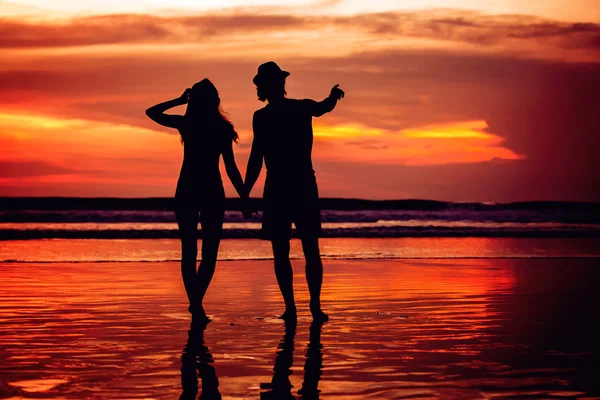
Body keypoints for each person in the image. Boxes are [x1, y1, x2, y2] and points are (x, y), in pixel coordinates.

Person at [244, 61, 345, 322]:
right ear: (266, 87)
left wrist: (333, 97)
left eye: (276, 82)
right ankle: (292, 307)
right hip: (283, 185)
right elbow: (256, 156)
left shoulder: (298, 108)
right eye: (271, 82)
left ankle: (313, 306)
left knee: (308, 248)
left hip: (295, 184)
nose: (275, 86)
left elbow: (323, 108)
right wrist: (245, 192)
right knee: (285, 250)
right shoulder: (264, 116)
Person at [146, 79, 247, 324]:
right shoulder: (221, 127)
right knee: (208, 252)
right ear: (215, 101)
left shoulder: (187, 123)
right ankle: (196, 304)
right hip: (211, 190)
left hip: (189, 188)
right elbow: (231, 168)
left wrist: (179, 101)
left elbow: (152, 112)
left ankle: (196, 304)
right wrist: (244, 196)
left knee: (189, 250)